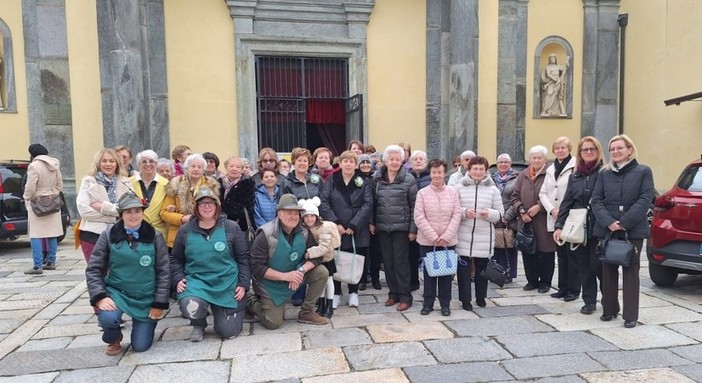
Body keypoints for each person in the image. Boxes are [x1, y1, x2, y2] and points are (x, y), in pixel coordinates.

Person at [86, 193, 170, 355]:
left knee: (140, 346)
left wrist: (159, 304)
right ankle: (114, 337)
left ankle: (146, 325)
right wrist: (101, 296)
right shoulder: (108, 235)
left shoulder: (155, 236)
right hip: (119, 293)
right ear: (121, 214)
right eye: (128, 212)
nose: (133, 216)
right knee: (108, 319)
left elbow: (164, 272)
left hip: (146, 296)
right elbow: (94, 269)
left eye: (137, 211)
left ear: (142, 212)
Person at [591, 134, 654, 328]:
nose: (616, 152)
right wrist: (609, 222)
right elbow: (596, 199)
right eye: (612, 149)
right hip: (607, 229)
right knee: (607, 270)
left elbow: (645, 199)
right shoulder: (604, 173)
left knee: (630, 272)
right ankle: (609, 309)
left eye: (620, 148)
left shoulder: (643, 171)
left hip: (632, 230)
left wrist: (624, 222)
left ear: (629, 149)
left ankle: (630, 315)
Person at [171, 187, 250, 341]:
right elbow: (175, 259)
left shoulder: (231, 227)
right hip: (198, 281)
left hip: (227, 283)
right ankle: (198, 323)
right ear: (196, 207)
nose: (207, 207)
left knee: (228, 332)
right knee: (190, 305)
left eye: (210, 203)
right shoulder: (185, 230)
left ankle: (223, 312)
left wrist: (244, 283)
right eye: (202, 204)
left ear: (217, 206)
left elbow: (243, 258)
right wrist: (178, 278)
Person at [246, 194, 331, 329]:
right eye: (289, 212)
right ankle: (250, 301)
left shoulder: (304, 231)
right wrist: (285, 276)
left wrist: (300, 271)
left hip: (294, 276)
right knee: (273, 323)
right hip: (270, 283)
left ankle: (307, 312)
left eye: (296, 213)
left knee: (321, 272)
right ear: (279, 214)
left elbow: (317, 256)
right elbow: (256, 267)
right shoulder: (265, 233)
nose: (294, 216)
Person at [553, 136, 605, 315]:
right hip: (579, 227)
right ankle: (589, 301)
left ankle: (608, 296)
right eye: (585, 149)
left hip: (599, 226)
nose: (588, 152)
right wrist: (559, 225)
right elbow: (567, 201)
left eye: (592, 149)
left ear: (598, 151)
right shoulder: (575, 176)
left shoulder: (605, 172)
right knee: (584, 266)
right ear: (580, 153)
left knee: (599, 265)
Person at [319, 150, 373, 307]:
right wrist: (336, 223)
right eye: (345, 161)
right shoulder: (331, 179)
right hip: (337, 227)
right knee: (335, 259)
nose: (348, 164)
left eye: (351, 161)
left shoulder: (363, 180)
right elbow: (324, 201)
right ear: (340, 163)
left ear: (355, 164)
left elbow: (368, 203)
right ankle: (336, 292)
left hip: (357, 227)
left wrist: (353, 224)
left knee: (354, 259)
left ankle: (353, 292)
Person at [370, 145, 418, 312]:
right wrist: (372, 222)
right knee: (388, 262)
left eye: (398, 159)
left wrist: (413, 229)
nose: (395, 162)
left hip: (401, 228)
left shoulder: (409, 179)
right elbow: (373, 203)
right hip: (383, 227)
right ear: (386, 161)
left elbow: (414, 206)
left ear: (402, 160)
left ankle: (406, 296)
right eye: (392, 159)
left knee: (401, 262)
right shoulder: (377, 178)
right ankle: (393, 294)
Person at [455, 156, 504, 310]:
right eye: (475, 168)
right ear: (469, 170)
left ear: (486, 171)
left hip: (484, 235)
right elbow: (454, 209)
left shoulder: (493, 189)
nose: (478, 171)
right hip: (464, 235)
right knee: (463, 271)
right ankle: (465, 300)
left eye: (481, 169)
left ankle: (481, 297)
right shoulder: (459, 187)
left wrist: (489, 213)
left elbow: (500, 213)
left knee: (482, 270)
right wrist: (464, 213)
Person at [414, 159, 461, 316]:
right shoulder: (422, 193)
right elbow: (419, 216)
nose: (436, 175)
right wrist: (433, 236)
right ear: (430, 173)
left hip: (448, 241)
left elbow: (456, 215)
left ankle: (445, 304)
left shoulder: (453, 192)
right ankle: (428, 304)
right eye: (434, 172)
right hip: (428, 241)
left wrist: (446, 235)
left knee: (446, 274)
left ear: (444, 173)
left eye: (439, 172)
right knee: (429, 274)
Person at [511, 145, 556, 293]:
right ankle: (532, 280)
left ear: (545, 159)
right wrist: (521, 211)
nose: (536, 160)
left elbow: (553, 196)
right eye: (534, 157)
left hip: (544, 220)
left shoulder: (551, 173)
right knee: (528, 251)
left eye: (539, 157)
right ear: (530, 159)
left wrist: (539, 207)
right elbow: (514, 196)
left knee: (545, 252)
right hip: (526, 220)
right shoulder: (523, 174)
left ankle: (545, 282)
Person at [539, 137, 577, 301]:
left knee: (572, 254)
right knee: (561, 253)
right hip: (555, 216)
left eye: (563, 147)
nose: (560, 150)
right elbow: (543, 193)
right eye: (557, 148)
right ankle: (562, 288)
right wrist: (552, 209)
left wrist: (563, 209)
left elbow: (576, 191)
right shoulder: (550, 169)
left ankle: (573, 290)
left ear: (569, 149)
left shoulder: (575, 167)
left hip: (571, 216)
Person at [77, 148, 130, 263]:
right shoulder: (88, 181)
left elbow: (128, 209)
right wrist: (116, 215)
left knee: (118, 273)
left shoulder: (126, 182)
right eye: (104, 161)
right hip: (92, 236)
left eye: (112, 161)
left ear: (117, 164)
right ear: (98, 163)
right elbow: (84, 211)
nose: (108, 164)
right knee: (96, 273)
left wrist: (101, 207)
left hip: (120, 234)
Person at [160, 153, 220, 249]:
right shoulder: (175, 184)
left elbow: (217, 211)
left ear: (203, 170)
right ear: (187, 168)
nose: (196, 169)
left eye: (199, 167)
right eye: (193, 166)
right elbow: (164, 213)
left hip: (203, 235)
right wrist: (182, 218)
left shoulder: (211, 185)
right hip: (178, 236)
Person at [23, 144, 63, 275]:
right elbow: (59, 184)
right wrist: (52, 193)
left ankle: (37, 265)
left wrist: (27, 197)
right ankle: (51, 261)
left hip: (37, 201)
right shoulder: (55, 164)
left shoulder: (34, 166)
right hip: (53, 200)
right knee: (52, 232)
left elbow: (30, 186)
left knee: (35, 234)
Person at [300, 197, 339, 318]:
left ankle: (329, 304)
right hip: (315, 260)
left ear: (316, 216)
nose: (309, 219)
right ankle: (321, 304)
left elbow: (324, 247)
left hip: (326, 258)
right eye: (306, 216)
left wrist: (308, 253)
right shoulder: (304, 228)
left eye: (312, 216)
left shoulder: (325, 227)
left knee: (329, 280)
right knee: (319, 281)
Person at [492, 153, 520, 283]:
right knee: (495, 247)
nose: (503, 164)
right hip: (493, 218)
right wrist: (494, 215)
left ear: (510, 164)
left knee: (508, 245)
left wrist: (506, 217)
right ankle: (495, 273)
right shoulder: (491, 179)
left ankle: (509, 273)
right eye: (500, 162)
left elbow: (518, 198)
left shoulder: (517, 178)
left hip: (510, 220)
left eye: (506, 162)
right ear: (497, 164)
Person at [130, 150, 169, 239]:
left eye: (151, 161)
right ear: (139, 164)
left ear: (156, 164)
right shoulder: (128, 183)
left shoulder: (166, 184)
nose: (148, 164)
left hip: (159, 234)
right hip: (135, 232)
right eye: (144, 161)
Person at [358, 154, 382, 290]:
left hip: (375, 218)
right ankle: (361, 279)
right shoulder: (356, 178)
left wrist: (373, 222)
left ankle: (375, 278)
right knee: (362, 252)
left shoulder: (377, 178)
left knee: (375, 252)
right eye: (362, 162)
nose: (365, 164)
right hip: (361, 220)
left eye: (368, 162)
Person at [407, 149, 430, 291]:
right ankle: (413, 282)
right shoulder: (406, 177)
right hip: (411, 221)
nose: (418, 161)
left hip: (428, 222)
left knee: (427, 255)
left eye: (421, 159)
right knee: (411, 254)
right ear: (410, 163)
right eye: (415, 159)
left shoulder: (432, 176)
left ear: (426, 162)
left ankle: (430, 285)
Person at [219, 156, 256, 233]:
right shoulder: (218, 183)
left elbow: (247, 208)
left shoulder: (248, 183)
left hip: (241, 226)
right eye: (231, 166)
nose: (234, 169)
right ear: (226, 167)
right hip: (220, 225)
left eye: (238, 167)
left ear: (242, 170)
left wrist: (226, 209)